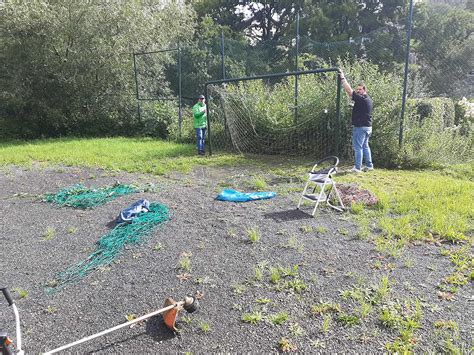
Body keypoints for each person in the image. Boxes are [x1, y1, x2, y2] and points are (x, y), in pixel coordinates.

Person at [339, 69, 374, 172]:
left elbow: (349, 91)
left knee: (358, 147)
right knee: (365, 146)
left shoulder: (361, 98)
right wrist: (354, 106)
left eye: (359, 90)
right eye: (357, 90)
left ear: (364, 90)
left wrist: (342, 78)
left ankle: (357, 168)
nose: (358, 91)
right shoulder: (368, 99)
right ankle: (369, 166)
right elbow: (362, 109)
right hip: (368, 127)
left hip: (360, 127)